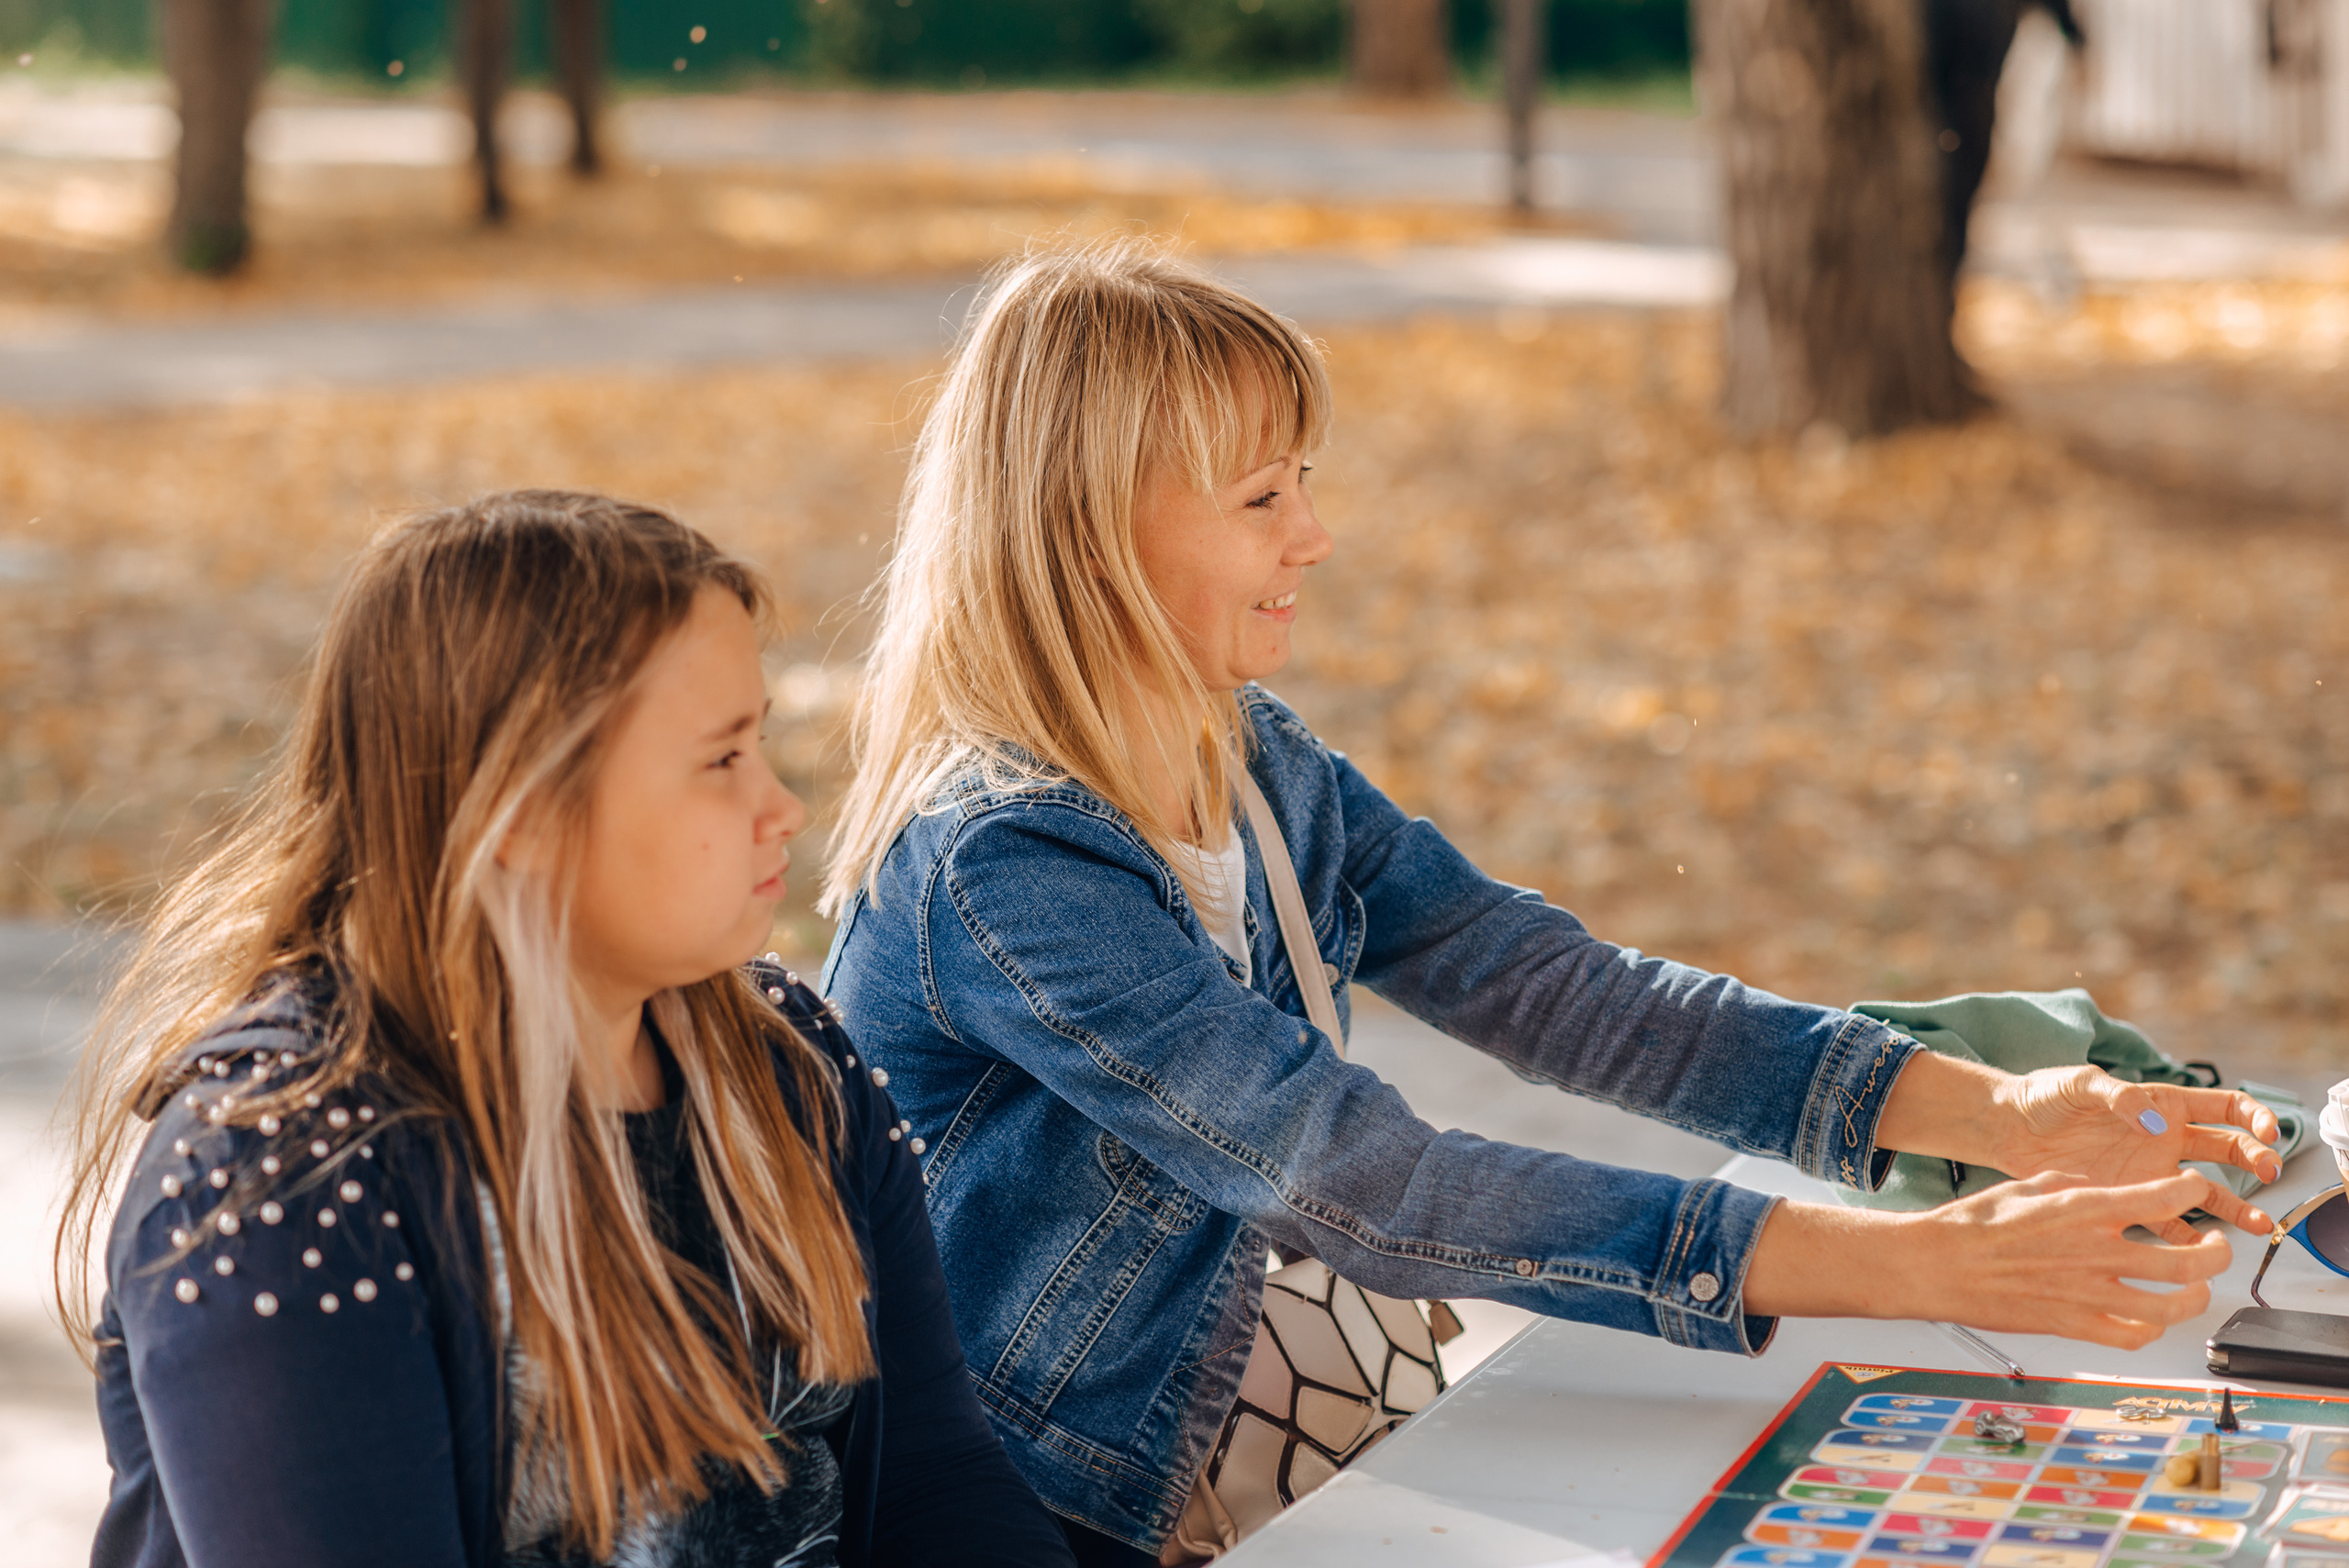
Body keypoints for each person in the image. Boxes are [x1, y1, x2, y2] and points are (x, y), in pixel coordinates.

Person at [816, 244, 2284, 1565]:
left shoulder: (1259, 763)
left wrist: (2003, 1116)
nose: (1313, 535)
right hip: (1053, 1512)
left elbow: (1563, 991)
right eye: (1263, 497)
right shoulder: (1007, 870)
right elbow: (1365, 1179)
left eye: (1305, 479)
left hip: (1259, 1458)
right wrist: (1917, 1264)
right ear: (1084, 537)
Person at [55, 491, 1078, 1568]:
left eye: (760, 743)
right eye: (722, 758)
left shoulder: (788, 1060)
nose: (783, 806)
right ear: (526, 814)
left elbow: (938, 1480)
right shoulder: (282, 1176)